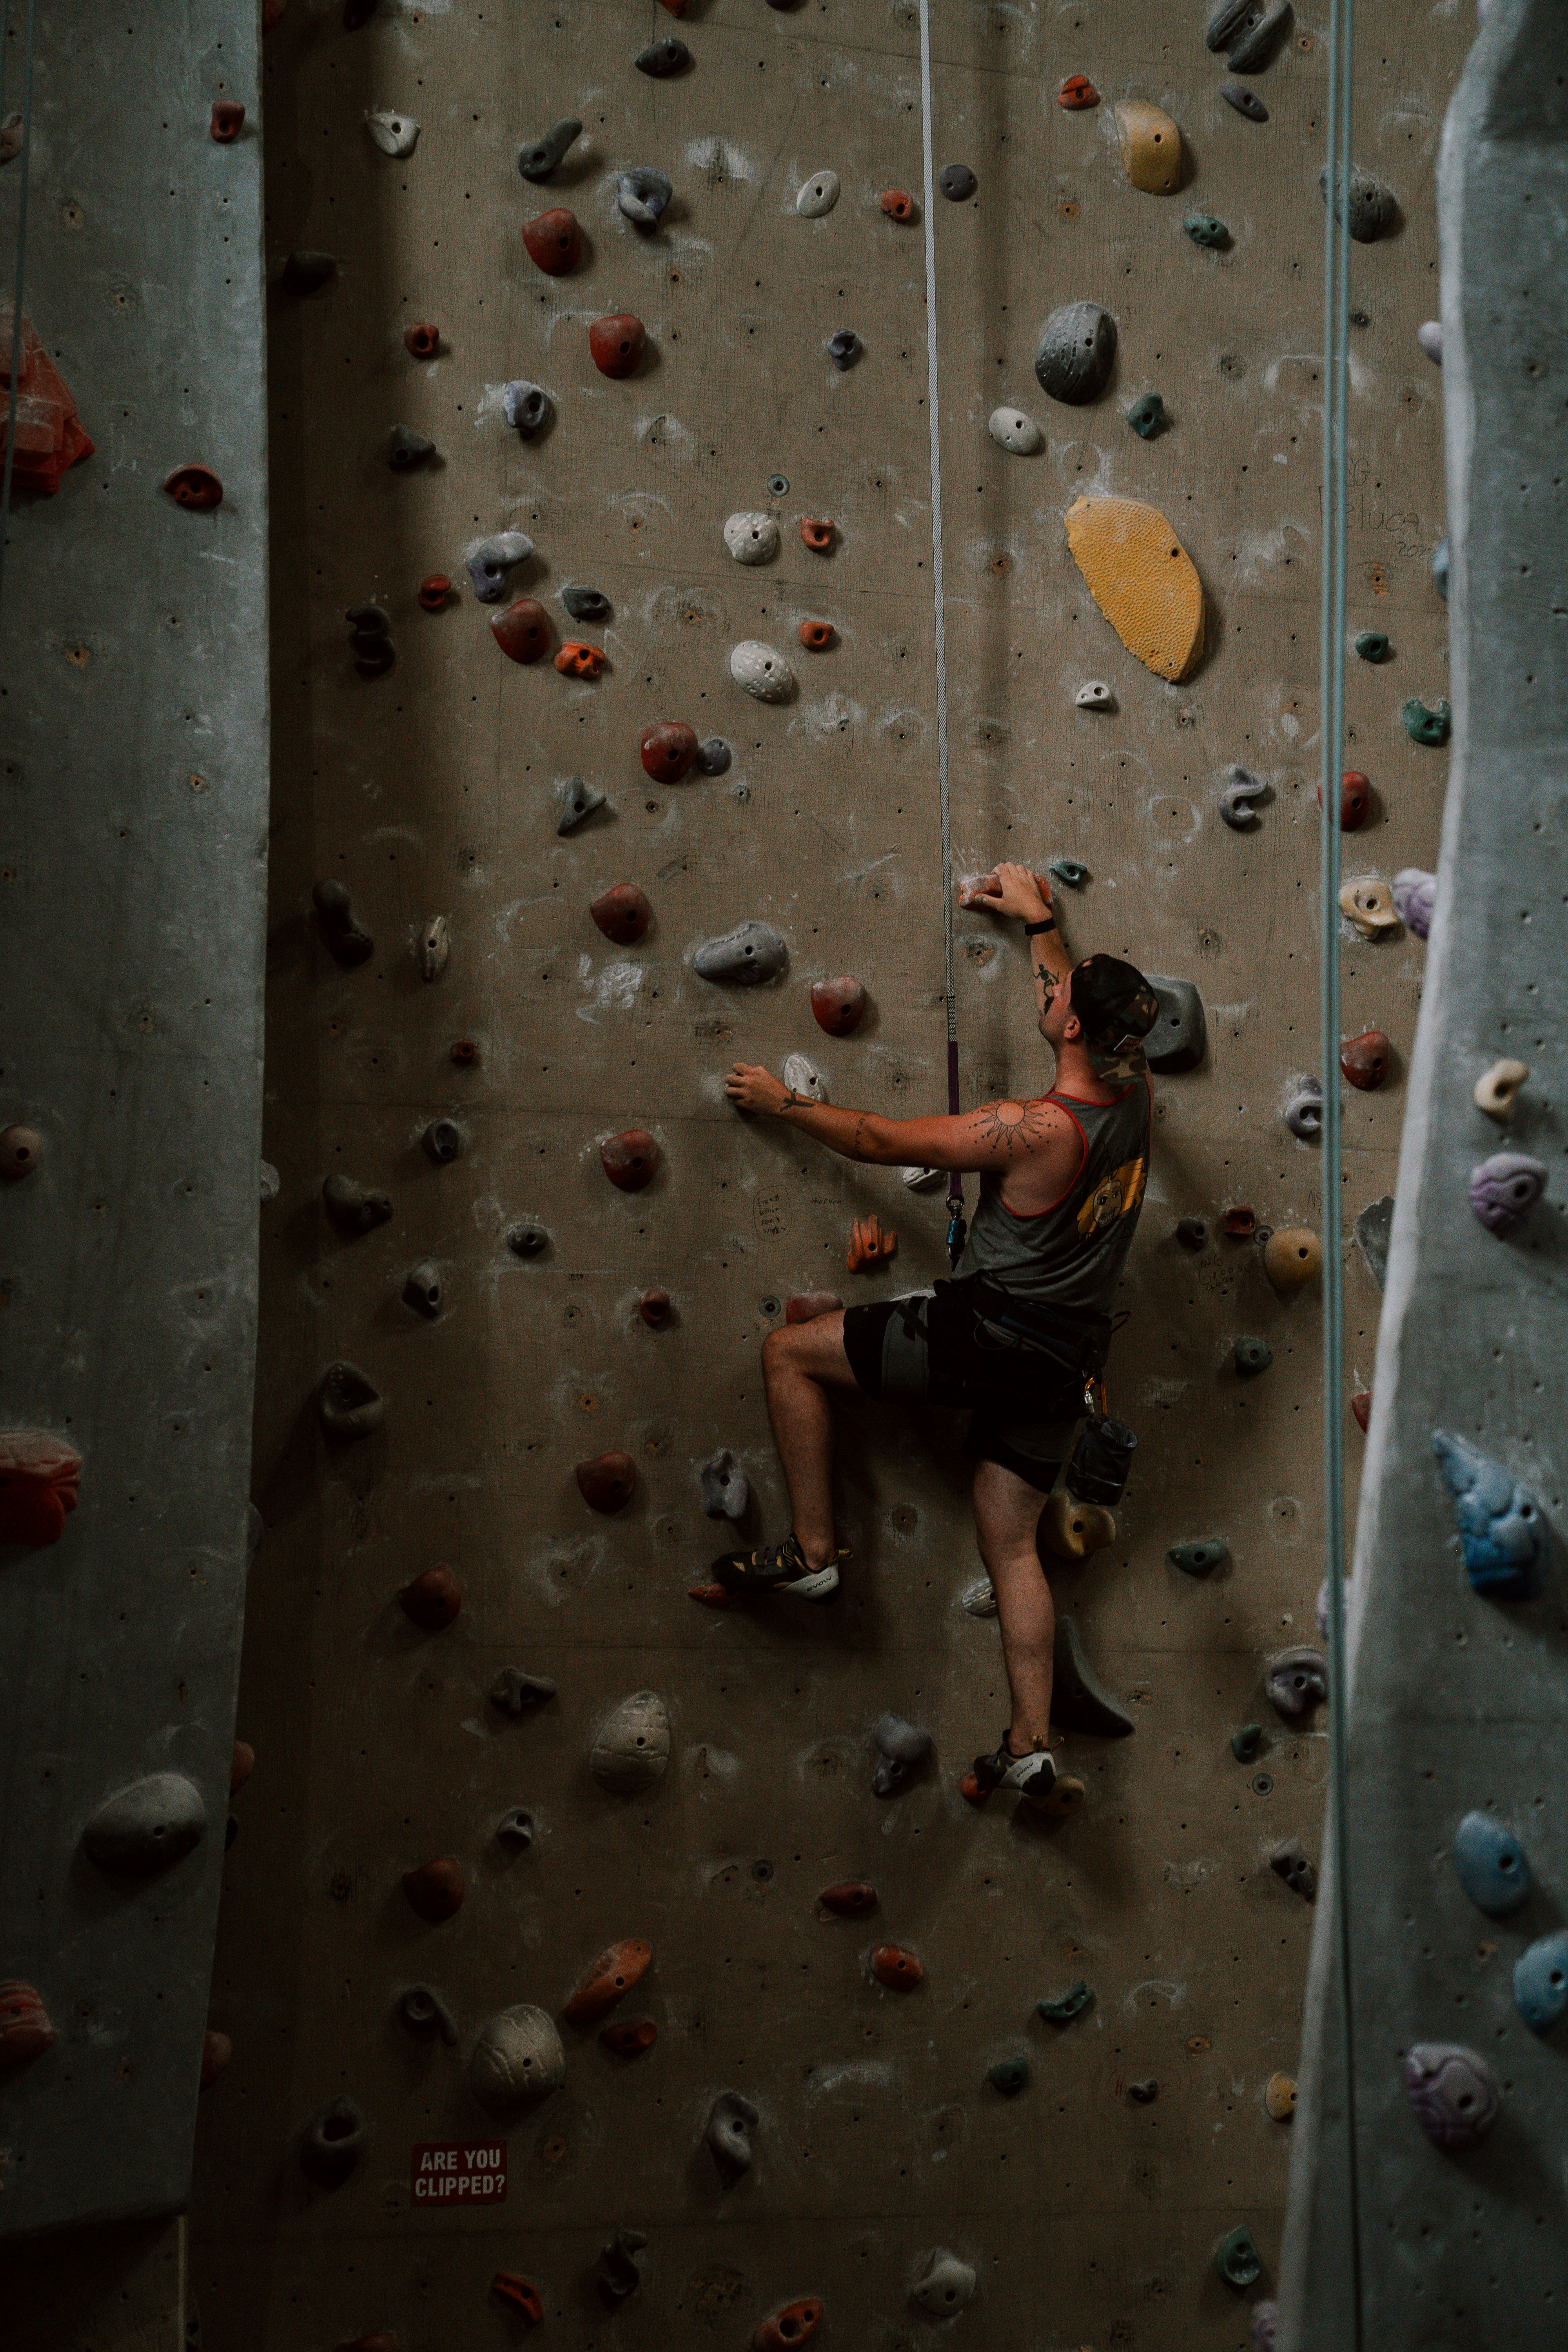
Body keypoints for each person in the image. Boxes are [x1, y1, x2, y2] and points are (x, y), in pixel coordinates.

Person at [716, 860, 1158, 1815]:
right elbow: (1070, 1000)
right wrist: (1041, 924)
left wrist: (779, 1102)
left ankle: (812, 1549)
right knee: (1011, 1549)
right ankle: (1030, 1742)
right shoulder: (1134, 1097)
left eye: (1062, 1000)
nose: (1052, 997)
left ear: (1075, 1026)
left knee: (786, 1356)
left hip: (988, 1335)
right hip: (1063, 1365)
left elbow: (880, 1140)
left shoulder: (1031, 1128)